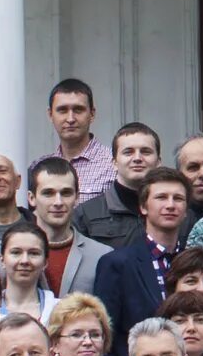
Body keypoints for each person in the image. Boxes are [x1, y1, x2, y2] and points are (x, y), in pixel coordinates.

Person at [93, 169, 193, 356]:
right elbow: (105, 337)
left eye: (178, 198)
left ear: (185, 210)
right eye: (161, 197)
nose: (170, 205)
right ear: (143, 207)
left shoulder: (193, 263)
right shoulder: (117, 264)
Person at [14, 156, 110, 296]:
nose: (58, 202)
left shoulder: (102, 255)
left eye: (66, 193)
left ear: (77, 197)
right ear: (31, 198)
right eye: (48, 193)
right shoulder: (2, 251)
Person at [75, 121, 163, 251]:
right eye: (128, 152)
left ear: (158, 162)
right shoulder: (85, 214)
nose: (137, 158)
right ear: (114, 163)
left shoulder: (176, 210)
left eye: (145, 151)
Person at [48, 78, 110, 204]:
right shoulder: (38, 168)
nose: (70, 119)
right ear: (50, 115)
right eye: (62, 110)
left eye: (78, 110)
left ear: (92, 114)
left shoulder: (114, 165)